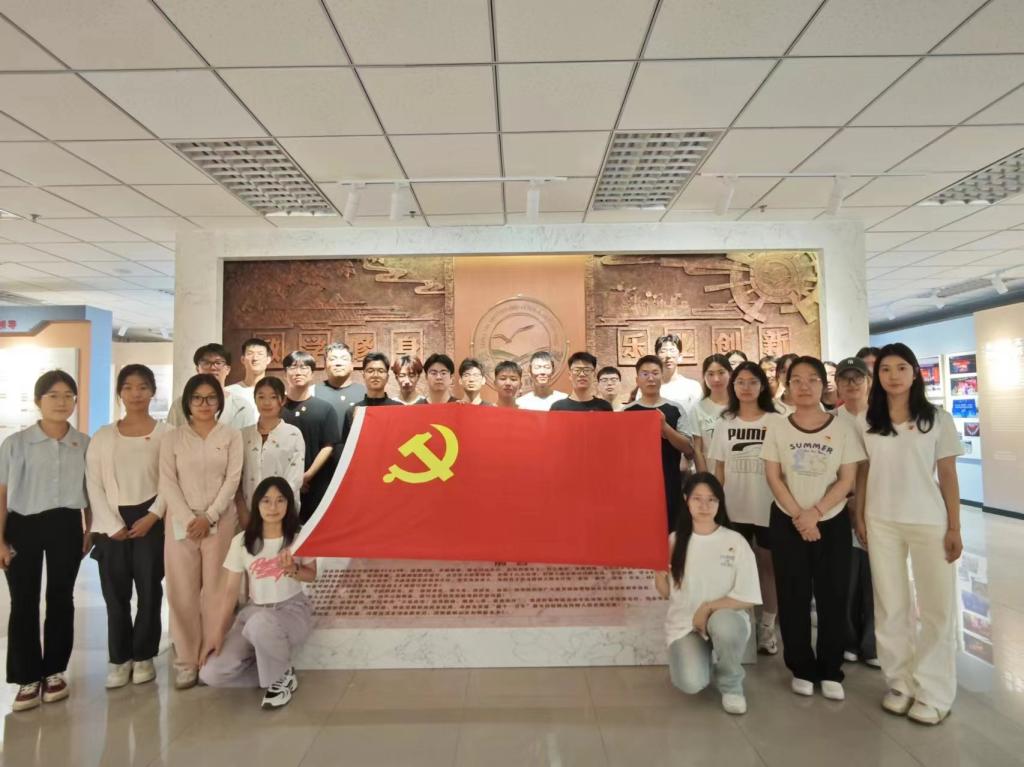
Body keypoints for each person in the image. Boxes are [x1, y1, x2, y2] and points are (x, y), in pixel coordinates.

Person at [855, 343, 963, 725]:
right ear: (877, 376)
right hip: (881, 520)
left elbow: (948, 475)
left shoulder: (937, 419)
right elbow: (863, 472)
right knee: (891, 604)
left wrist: (954, 526)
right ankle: (900, 682)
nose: (894, 376)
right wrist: (860, 515)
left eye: (902, 368)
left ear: (915, 373)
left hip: (928, 521)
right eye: (886, 369)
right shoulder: (867, 420)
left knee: (936, 607)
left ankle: (935, 692)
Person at [761, 357, 864, 701]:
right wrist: (799, 516)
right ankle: (802, 668)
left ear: (823, 384)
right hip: (787, 520)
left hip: (831, 522)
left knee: (833, 596)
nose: (804, 386)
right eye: (797, 380)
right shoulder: (778, 426)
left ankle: (831, 669)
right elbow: (773, 476)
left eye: (812, 379)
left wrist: (816, 513)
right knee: (793, 596)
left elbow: (847, 479)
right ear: (787, 386)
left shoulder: (843, 427)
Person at [0, 371, 90, 712]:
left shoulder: (83, 443)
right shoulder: (16, 443)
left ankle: (54, 671)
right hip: (23, 525)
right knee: (23, 601)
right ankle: (26, 677)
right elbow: (2, 494)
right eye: (54, 395)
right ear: (39, 400)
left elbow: (91, 490)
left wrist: (90, 529)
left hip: (66, 524)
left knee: (61, 598)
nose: (62, 402)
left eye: (68, 395)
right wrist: (0, 540)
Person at [87, 365, 170, 689]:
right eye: (129, 387)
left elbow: (170, 480)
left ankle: (144, 655)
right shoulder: (104, 435)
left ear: (153, 392)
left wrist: (154, 515)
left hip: (151, 519)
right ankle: (119, 658)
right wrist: (109, 524)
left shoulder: (166, 433)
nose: (136, 394)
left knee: (150, 591)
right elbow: (93, 483)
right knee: (115, 594)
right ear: (119, 392)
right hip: (112, 522)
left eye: (143, 387)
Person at [200, 477, 316, 709]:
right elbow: (230, 591)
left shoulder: (300, 536)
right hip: (253, 614)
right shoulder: (242, 542)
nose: (273, 507)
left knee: (260, 624)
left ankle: (277, 680)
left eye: (280, 500)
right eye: (266, 501)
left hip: (291, 612)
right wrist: (217, 633)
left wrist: (292, 569)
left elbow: (311, 575)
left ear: (288, 504)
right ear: (257, 504)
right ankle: (281, 672)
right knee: (211, 674)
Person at [159, 373, 243, 690]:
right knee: (181, 591)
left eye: (210, 398)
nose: (204, 404)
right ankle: (185, 660)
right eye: (197, 398)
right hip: (181, 524)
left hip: (219, 522)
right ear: (187, 402)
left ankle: (210, 654)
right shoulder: (173, 438)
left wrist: (209, 516)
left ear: (219, 402)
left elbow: (233, 480)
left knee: (217, 591)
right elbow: (167, 481)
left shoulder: (231, 436)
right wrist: (187, 518)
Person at [654, 472, 761, 715]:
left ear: (719, 502)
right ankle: (703, 657)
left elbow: (748, 597)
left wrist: (708, 608)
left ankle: (731, 684)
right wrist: (658, 573)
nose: (704, 506)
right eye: (697, 499)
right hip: (686, 625)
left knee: (724, 625)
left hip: (726, 618)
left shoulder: (735, 541)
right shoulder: (674, 540)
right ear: (686, 500)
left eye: (711, 499)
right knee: (691, 683)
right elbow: (667, 593)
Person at [708, 361, 780, 656]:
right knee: (732, 569)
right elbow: (719, 469)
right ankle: (736, 630)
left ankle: (767, 627)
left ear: (762, 386)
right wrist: (715, 507)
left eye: (752, 382)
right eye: (740, 382)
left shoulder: (776, 421)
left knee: (768, 568)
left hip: (769, 507)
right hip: (733, 508)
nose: (746, 387)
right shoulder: (725, 422)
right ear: (733, 386)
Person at [832, 357, 879, 669]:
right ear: (837, 385)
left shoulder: (881, 420)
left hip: (879, 506)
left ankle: (872, 643)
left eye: (857, 378)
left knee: (876, 579)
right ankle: (847, 640)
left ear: (868, 382)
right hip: (840, 507)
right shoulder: (831, 420)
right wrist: (846, 499)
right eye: (845, 379)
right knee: (845, 577)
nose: (851, 384)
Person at [623, 356, 694, 531]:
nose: (651, 378)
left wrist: (665, 427)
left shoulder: (675, 409)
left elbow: (688, 449)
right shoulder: (627, 412)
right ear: (637, 380)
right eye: (645, 374)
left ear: (662, 376)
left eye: (655, 373)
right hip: (637, 486)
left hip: (670, 483)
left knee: (671, 532)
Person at [280, 351, 340, 525]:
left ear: (312, 374)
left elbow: (328, 445)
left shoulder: (325, 408)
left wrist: (307, 475)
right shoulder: (277, 409)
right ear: (285, 373)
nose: (298, 372)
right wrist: (292, 479)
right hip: (283, 483)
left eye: (304, 367)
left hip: (317, 483)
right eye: (293, 367)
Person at [238, 377, 305, 529]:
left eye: (273, 397)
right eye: (261, 397)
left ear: (283, 400)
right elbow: (237, 477)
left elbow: (295, 477)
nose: (267, 403)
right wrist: (242, 511)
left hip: (283, 511)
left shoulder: (293, 434)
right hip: (249, 511)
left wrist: (275, 505)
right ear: (255, 400)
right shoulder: (243, 435)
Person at [169, 343, 254, 430]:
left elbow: (250, 438)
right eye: (206, 363)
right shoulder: (180, 405)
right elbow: (170, 436)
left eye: (218, 363)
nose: (213, 368)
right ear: (198, 369)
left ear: (228, 369)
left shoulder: (241, 406)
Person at [342, 352, 403, 443]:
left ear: (387, 377)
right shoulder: (352, 411)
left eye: (381, 371)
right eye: (370, 371)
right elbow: (345, 445)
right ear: (364, 376)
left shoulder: (399, 409)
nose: (375, 375)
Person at [689, 354, 731, 473]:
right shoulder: (698, 409)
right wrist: (706, 479)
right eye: (711, 374)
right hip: (711, 474)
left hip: (740, 476)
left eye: (721, 373)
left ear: (730, 374)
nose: (716, 379)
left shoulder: (741, 405)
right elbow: (697, 450)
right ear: (704, 377)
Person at [315, 343, 367, 431]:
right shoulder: (312, 392)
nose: (338, 363)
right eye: (333, 359)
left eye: (344, 359)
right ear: (325, 365)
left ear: (352, 365)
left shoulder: (365, 392)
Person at [225, 338, 272, 428]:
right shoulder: (229, 392)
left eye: (260, 354)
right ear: (243, 359)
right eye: (250, 353)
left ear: (268, 360)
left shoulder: (278, 393)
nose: (255, 358)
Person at [652, 334, 703, 413]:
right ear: (656, 358)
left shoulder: (693, 387)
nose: (668, 355)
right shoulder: (647, 387)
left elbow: (701, 416)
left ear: (680, 357)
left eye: (672, 350)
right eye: (663, 351)